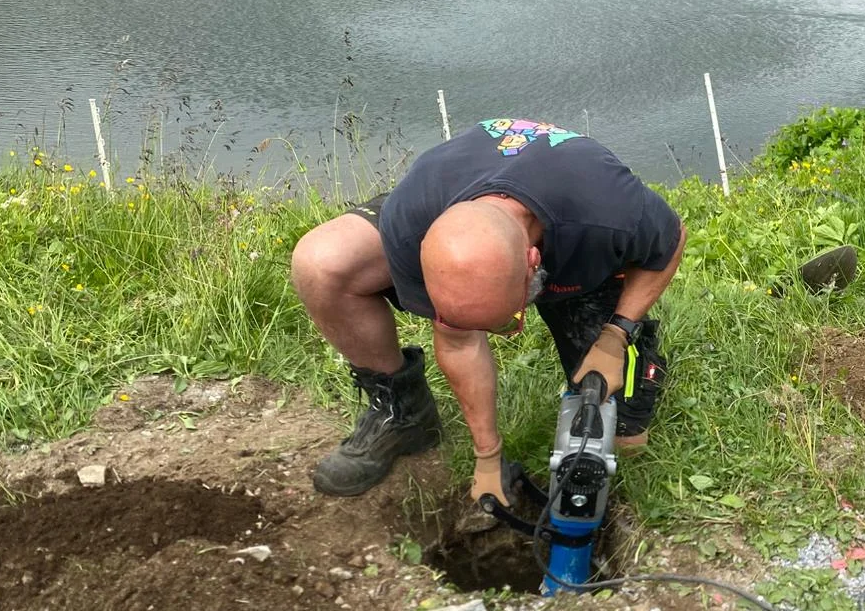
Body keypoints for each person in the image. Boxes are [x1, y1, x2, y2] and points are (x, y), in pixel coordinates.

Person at [290, 117, 685, 515]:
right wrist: (487, 457)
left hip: (570, 215)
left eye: (503, 320)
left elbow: (670, 243)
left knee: (624, 431)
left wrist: (616, 334)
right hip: (458, 194)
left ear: (534, 262)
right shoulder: (412, 220)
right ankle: (403, 413)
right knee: (322, 264)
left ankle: (628, 343)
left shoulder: (607, 209)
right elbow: (458, 342)